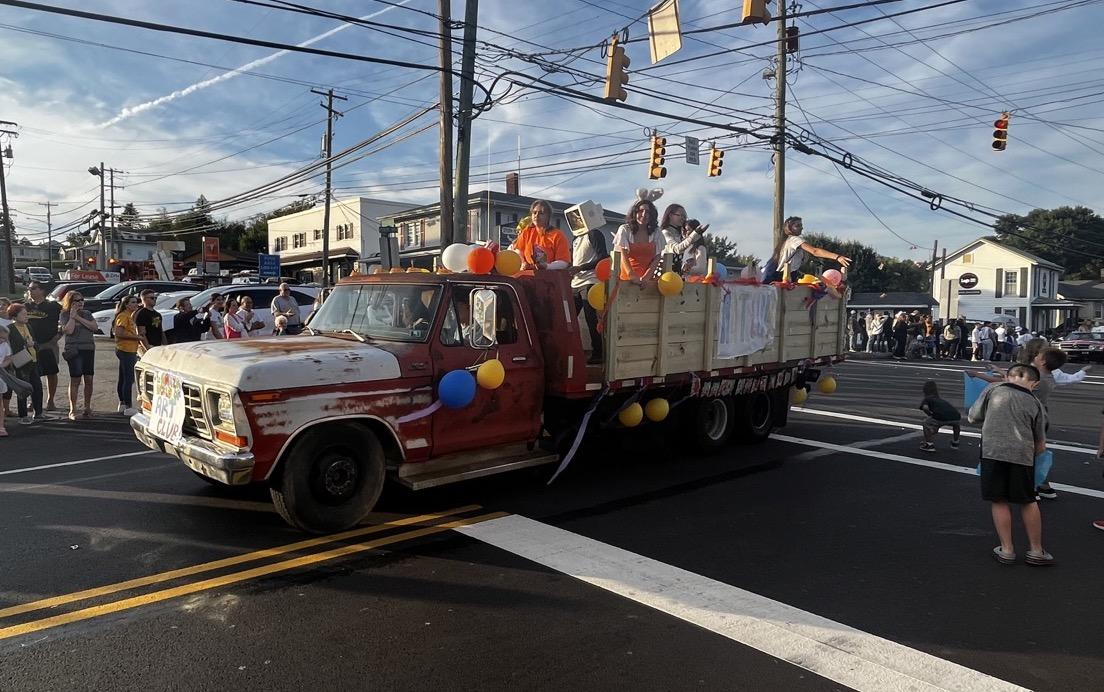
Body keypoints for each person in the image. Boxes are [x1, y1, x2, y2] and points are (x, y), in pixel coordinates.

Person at [968, 363, 1052, 566]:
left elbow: (973, 417)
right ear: (1035, 383)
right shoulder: (1035, 402)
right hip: (1022, 457)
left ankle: (1006, 550)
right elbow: (1041, 442)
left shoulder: (992, 390)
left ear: (1008, 377)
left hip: (992, 453)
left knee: (998, 500)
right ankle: (1036, 550)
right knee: (1028, 500)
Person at [761, 217, 851, 283]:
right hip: (783, 276)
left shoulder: (787, 241)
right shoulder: (795, 240)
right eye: (798, 226)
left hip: (787, 275)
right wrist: (837, 257)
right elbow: (814, 251)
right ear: (789, 228)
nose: (802, 228)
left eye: (801, 225)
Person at [569, 221, 610, 365]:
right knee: (569, 317)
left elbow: (603, 257)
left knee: (591, 318)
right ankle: (570, 351)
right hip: (575, 283)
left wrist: (580, 267)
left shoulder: (594, 234)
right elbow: (574, 260)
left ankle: (598, 353)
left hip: (591, 280)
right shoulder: (575, 238)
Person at [7, 303, 50, 424]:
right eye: (23, 314)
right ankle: (23, 415)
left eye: (27, 314)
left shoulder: (29, 326)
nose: (26, 316)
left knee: (37, 388)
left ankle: (38, 413)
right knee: (23, 389)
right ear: (15, 316)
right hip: (21, 363)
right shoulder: (10, 329)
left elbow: (34, 342)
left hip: (33, 361)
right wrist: (26, 345)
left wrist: (33, 345)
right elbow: (11, 346)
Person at [59, 291, 97, 420]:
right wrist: (71, 317)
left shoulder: (87, 314)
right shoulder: (64, 314)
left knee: (89, 379)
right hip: (74, 349)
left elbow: (94, 327)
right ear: (70, 302)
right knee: (75, 379)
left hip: (88, 348)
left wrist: (78, 318)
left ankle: (87, 407)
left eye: (81, 300)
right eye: (76, 301)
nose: (80, 303)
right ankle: (73, 409)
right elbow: (69, 330)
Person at [24, 281, 61, 411]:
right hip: (30, 345)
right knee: (32, 374)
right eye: (29, 288)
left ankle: (50, 400)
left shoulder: (53, 306)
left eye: (33, 288)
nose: (30, 290)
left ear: (42, 291)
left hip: (48, 344)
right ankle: (34, 401)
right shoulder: (26, 306)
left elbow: (63, 320)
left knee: (51, 372)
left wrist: (58, 336)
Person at [613, 194, 664, 284]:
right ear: (634, 213)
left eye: (648, 212)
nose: (644, 215)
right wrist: (631, 275)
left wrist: (646, 278)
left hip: (647, 281)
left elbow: (657, 257)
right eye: (640, 211)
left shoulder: (656, 232)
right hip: (625, 280)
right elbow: (622, 255)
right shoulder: (625, 229)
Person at [511, 199, 570, 271]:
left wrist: (547, 266)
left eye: (541, 213)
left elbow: (564, 262)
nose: (536, 216)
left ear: (548, 216)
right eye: (534, 213)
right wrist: (523, 263)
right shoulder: (527, 231)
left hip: (550, 277)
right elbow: (518, 251)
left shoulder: (558, 235)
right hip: (528, 276)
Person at [112, 296, 143, 416]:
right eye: (133, 302)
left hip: (129, 349)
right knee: (129, 378)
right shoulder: (123, 316)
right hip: (126, 349)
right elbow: (119, 332)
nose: (136, 304)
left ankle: (123, 403)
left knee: (123, 376)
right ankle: (128, 405)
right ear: (126, 304)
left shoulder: (129, 316)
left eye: (136, 302)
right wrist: (137, 337)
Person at [919, 380, 961, 452]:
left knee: (926, 423)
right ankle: (955, 442)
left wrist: (930, 414)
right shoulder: (940, 399)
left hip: (940, 417)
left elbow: (925, 408)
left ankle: (929, 445)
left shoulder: (927, 399)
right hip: (956, 416)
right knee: (956, 425)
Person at [0, 324, 10, 436]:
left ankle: (1, 426)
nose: (3, 340)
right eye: (1, 337)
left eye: (4, 338)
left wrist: (3, 365)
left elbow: (9, 358)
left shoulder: (5, 346)